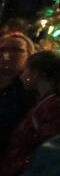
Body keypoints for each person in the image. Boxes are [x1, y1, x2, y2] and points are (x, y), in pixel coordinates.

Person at [0, 52, 60, 176]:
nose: (22, 75)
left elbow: (58, 147)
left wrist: (17, 171)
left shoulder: (53, 106)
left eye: (26, 69)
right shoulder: (44, 102)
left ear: (38, 74)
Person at [0, 32, 35, 160]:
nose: (7, 54)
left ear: (29, 56)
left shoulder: (32, 94)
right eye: (2, 49)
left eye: (16, 50)